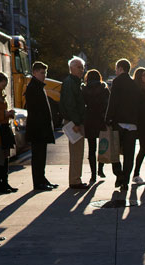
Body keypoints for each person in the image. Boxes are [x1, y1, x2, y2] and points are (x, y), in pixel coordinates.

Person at [105, 58, 140, 188]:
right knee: (129, 154)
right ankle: (125, 180)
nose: (115, 71)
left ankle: (118, 174)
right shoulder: (134, 84)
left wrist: (108, 118)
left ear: (120, 68)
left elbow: (112, 102)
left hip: (118, 123)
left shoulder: (117, 82)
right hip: (132, 124)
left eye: (116, 68)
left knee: (115, 152)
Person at [23, 61, 57, 191]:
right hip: (38, 129)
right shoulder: (33, 88)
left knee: (41, 156)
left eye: (45, 73)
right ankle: (38, 182)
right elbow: (36, 111)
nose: (44, 75)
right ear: (34, 73)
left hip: (40, 128)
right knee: (38, 157)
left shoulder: (38, 86)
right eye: (42, 73)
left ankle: (41, 179)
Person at [60, 57, 88, 189]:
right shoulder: (71, 83)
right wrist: (76, 122)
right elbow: (70, 104)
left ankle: (76, 178)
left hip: (74, 121)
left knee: (78, 152)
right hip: (74, 122)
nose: (82, 70)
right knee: (77, 152)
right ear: (71, 68)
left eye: (82, 67)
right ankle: (75, 180)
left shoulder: (73, 82)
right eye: (79, 67)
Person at [82, 69, 110, 185]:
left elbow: (82, 104)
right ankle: (100, 169)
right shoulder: (104, 89)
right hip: (101, 119)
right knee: (103, 146)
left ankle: (93, 174)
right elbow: (108, 104)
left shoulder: (84, 89)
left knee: (91, 148)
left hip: (89, 120)